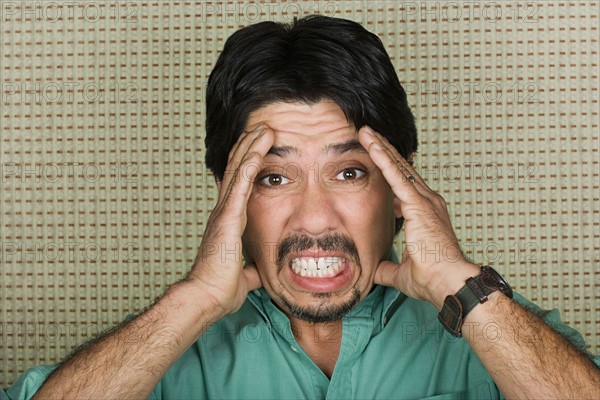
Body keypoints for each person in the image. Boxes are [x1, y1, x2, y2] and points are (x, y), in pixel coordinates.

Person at [3, 15, 599, 400]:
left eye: (348, 172)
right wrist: (195, 302)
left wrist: (461, 287)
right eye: (273, 177)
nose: (315, 219)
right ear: (228, 195)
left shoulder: (497, 336)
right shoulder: (168, 360)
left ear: (401, 186)